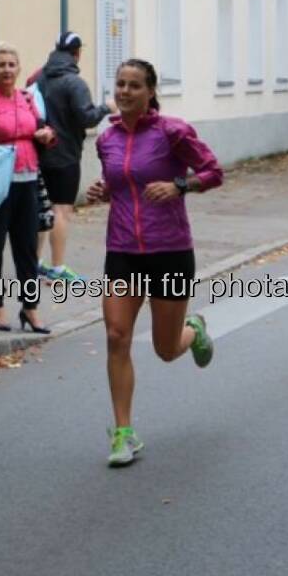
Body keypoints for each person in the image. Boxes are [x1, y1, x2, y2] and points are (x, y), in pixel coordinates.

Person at [85, 59, 223, 467]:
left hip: (170, 251)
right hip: (123, 249)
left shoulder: (172, 132)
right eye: (120, 84)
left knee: (165, 348)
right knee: (115, 335)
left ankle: (192, 329)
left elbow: (213, 172)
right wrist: (103, 191)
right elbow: (119, 184)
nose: (124, 91)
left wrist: (180, 185)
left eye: (134, 86)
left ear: (150, 92)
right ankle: (123, 433)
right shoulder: (106, 138)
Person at [0, 44, 56, 333]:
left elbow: (44, 132)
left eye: (11, 65)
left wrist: (46, 135)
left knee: (27, 249)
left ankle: (30, 308)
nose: (7, 69)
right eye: (1, 65)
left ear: (19, 69)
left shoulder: (27, 99)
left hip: (27, 181)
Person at [35, 31, 115, 282]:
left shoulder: (40, 77)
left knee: (43, 210)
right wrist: (107, 108)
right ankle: (58, 267)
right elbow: (87, 117)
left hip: (40, 150)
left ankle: (35, 263)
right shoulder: (74, 82)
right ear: (77, 53)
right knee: (61, 210)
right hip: (66, 154)